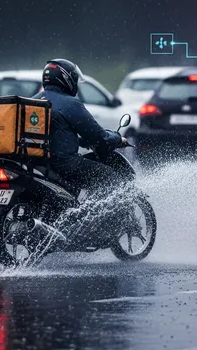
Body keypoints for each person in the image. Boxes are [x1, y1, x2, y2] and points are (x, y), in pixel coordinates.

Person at [33, 59, 131, 237]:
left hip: (39, 163)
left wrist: (79, 141)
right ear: (66, 79)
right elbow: (98, 136)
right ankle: (94, 226)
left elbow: (55, 134)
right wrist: (118, 138)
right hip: (65, 164)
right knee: (111, 178)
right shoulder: (71, 103)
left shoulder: (33, 101)